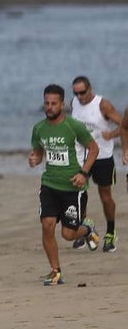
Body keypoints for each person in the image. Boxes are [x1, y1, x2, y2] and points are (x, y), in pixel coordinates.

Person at [29, 84, 100, 286]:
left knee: (68, 234)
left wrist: (83, 173)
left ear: (62, 104)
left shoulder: (73, 126)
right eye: (46, 103)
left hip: (72, 188)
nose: (49, 107)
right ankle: (56, 271)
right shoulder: (39, 129)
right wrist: (35, 159)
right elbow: (38, 152)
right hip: (49, 184)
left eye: (54, 103)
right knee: (47, 225)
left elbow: (93, 149)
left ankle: (87, 230)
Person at [69, 76, 123, 253]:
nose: (79, 96)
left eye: (82, 92)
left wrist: (112, 135)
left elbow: (124, 124)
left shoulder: (103, 105)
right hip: (81, 157)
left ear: (90, 88)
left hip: (102, 156)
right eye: (76, 93)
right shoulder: (74, 103)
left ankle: (111, 232)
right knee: (78, 195)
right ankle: (85, 230)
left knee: (105, 196)